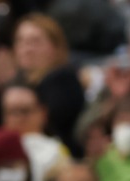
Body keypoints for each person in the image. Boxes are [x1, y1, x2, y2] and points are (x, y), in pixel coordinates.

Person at [11, 14, 83, 149]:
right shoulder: (16, 85)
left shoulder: (63, 81)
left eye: (35, 42)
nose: (27, 49)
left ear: (56, 48)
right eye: (21, 41)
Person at [0, 82, 66, 181]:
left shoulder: (57, 152)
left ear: (43, 113)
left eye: (25, 111)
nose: (18, 118)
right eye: (12, 112)